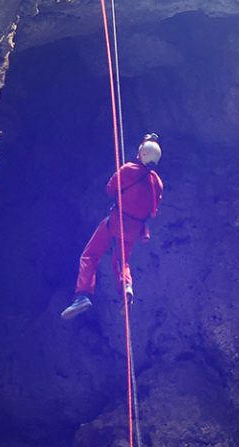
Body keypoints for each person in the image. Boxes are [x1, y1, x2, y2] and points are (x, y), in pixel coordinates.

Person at [61, 135, 163, 319]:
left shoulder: (130, 170)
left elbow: (110, 189)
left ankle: (83, 294)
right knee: (121, 261)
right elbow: (153, 209)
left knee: (90, 255)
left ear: (142, 153)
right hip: (135, 229)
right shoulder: (157, 183)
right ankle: (126, 288)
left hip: (117, 222)